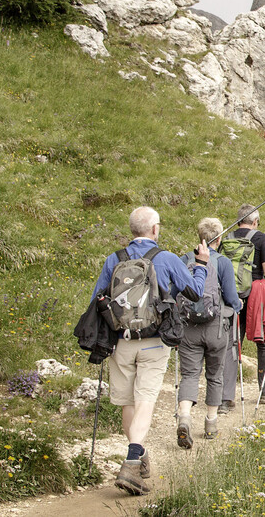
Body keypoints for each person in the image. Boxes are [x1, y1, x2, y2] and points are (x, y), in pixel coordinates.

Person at [83, 206, 209, 496]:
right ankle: (131, 460)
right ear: (155, 230)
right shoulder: (166, 258)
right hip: (154, 342)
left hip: (122, 342)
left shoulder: (113, 259)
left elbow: (97, 299)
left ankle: (138, 457)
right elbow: (195, 293)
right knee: (146, 400)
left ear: (132, 230)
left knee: (128, 402)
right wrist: (201, 264)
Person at [175, 218, 242, 448]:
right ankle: (211, 424)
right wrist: (238, 306)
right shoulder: (222, 262)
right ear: (220, 238)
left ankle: (184, 417)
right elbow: (232, 298)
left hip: (188, 328)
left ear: (200, 236)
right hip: (216, 327)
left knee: (190, 374)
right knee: (215, 374)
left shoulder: (184, 259)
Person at [219, 204, 265, 410]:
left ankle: (225, 399)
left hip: (231, 296)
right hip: (256, 297)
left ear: (239, 219)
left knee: (232, 344)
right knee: (264, 340)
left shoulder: (227, 238)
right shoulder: (260, 238)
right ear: (255, 221)